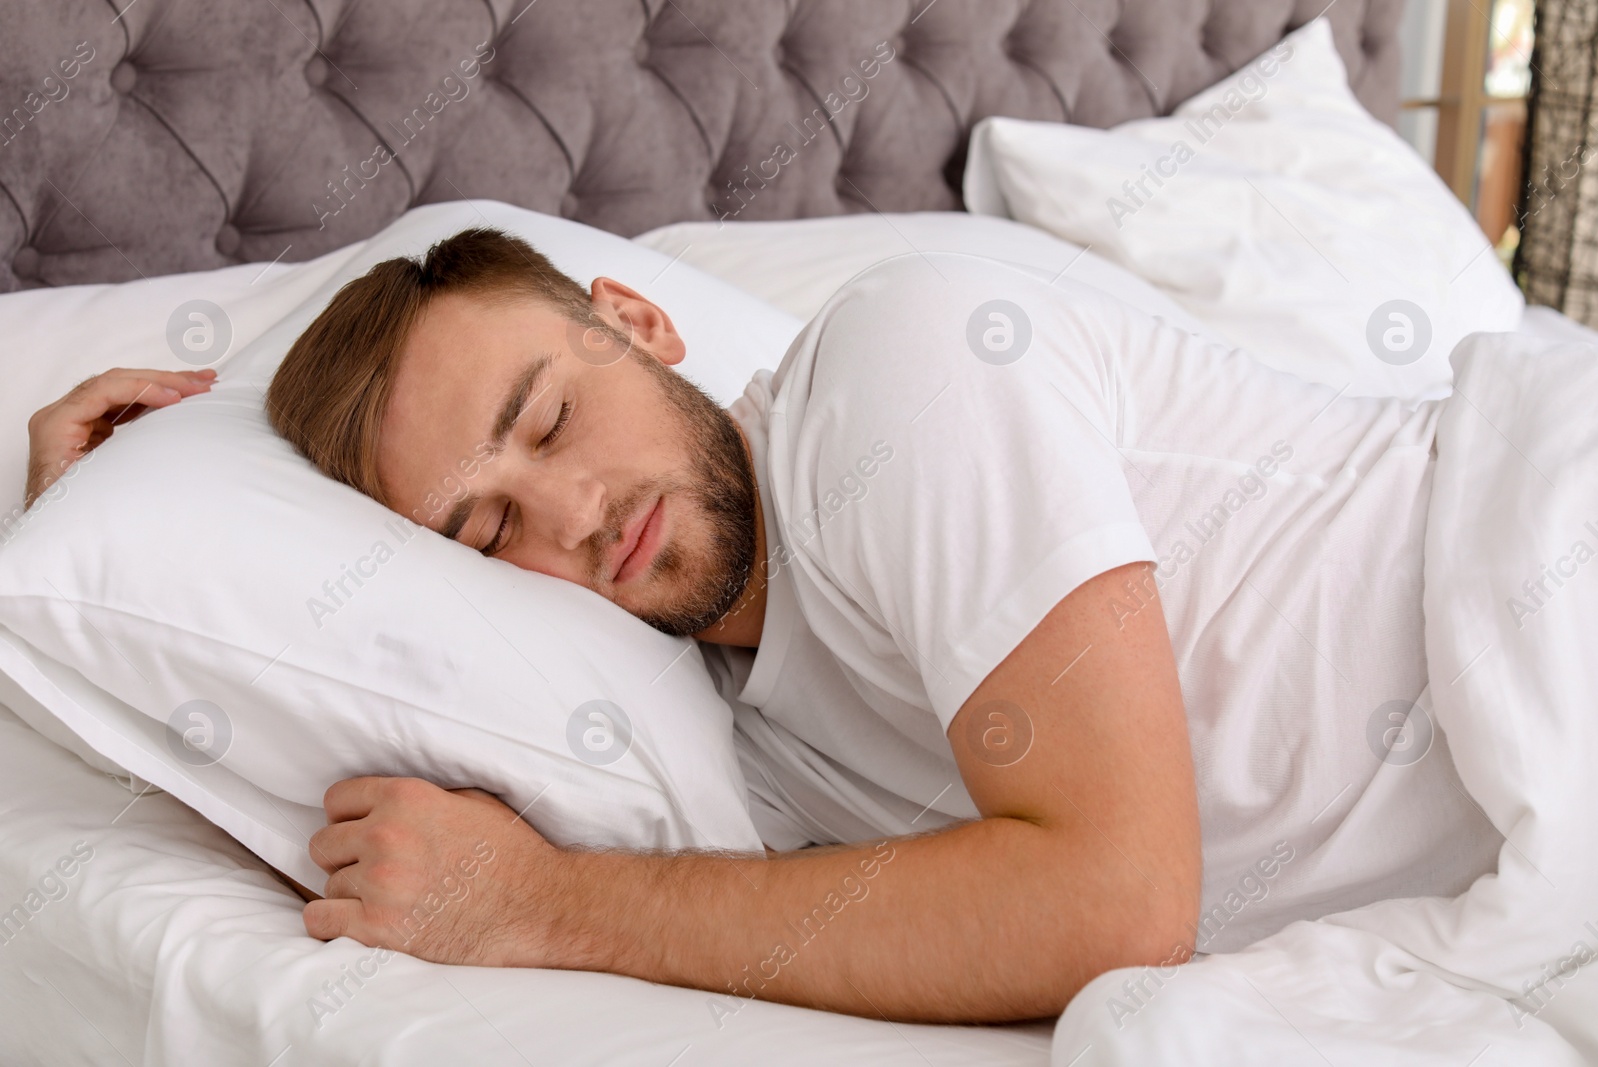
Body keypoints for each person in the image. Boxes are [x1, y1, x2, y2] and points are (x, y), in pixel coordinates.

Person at [23, 228, 1499, 1025]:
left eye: (548, 416)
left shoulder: (901, 366)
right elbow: (325, 780)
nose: (575, 513)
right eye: (485, 531)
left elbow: (1117, 904)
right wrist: (85, 524)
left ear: (640, 321)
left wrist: (540, 909)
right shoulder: (731, 751)